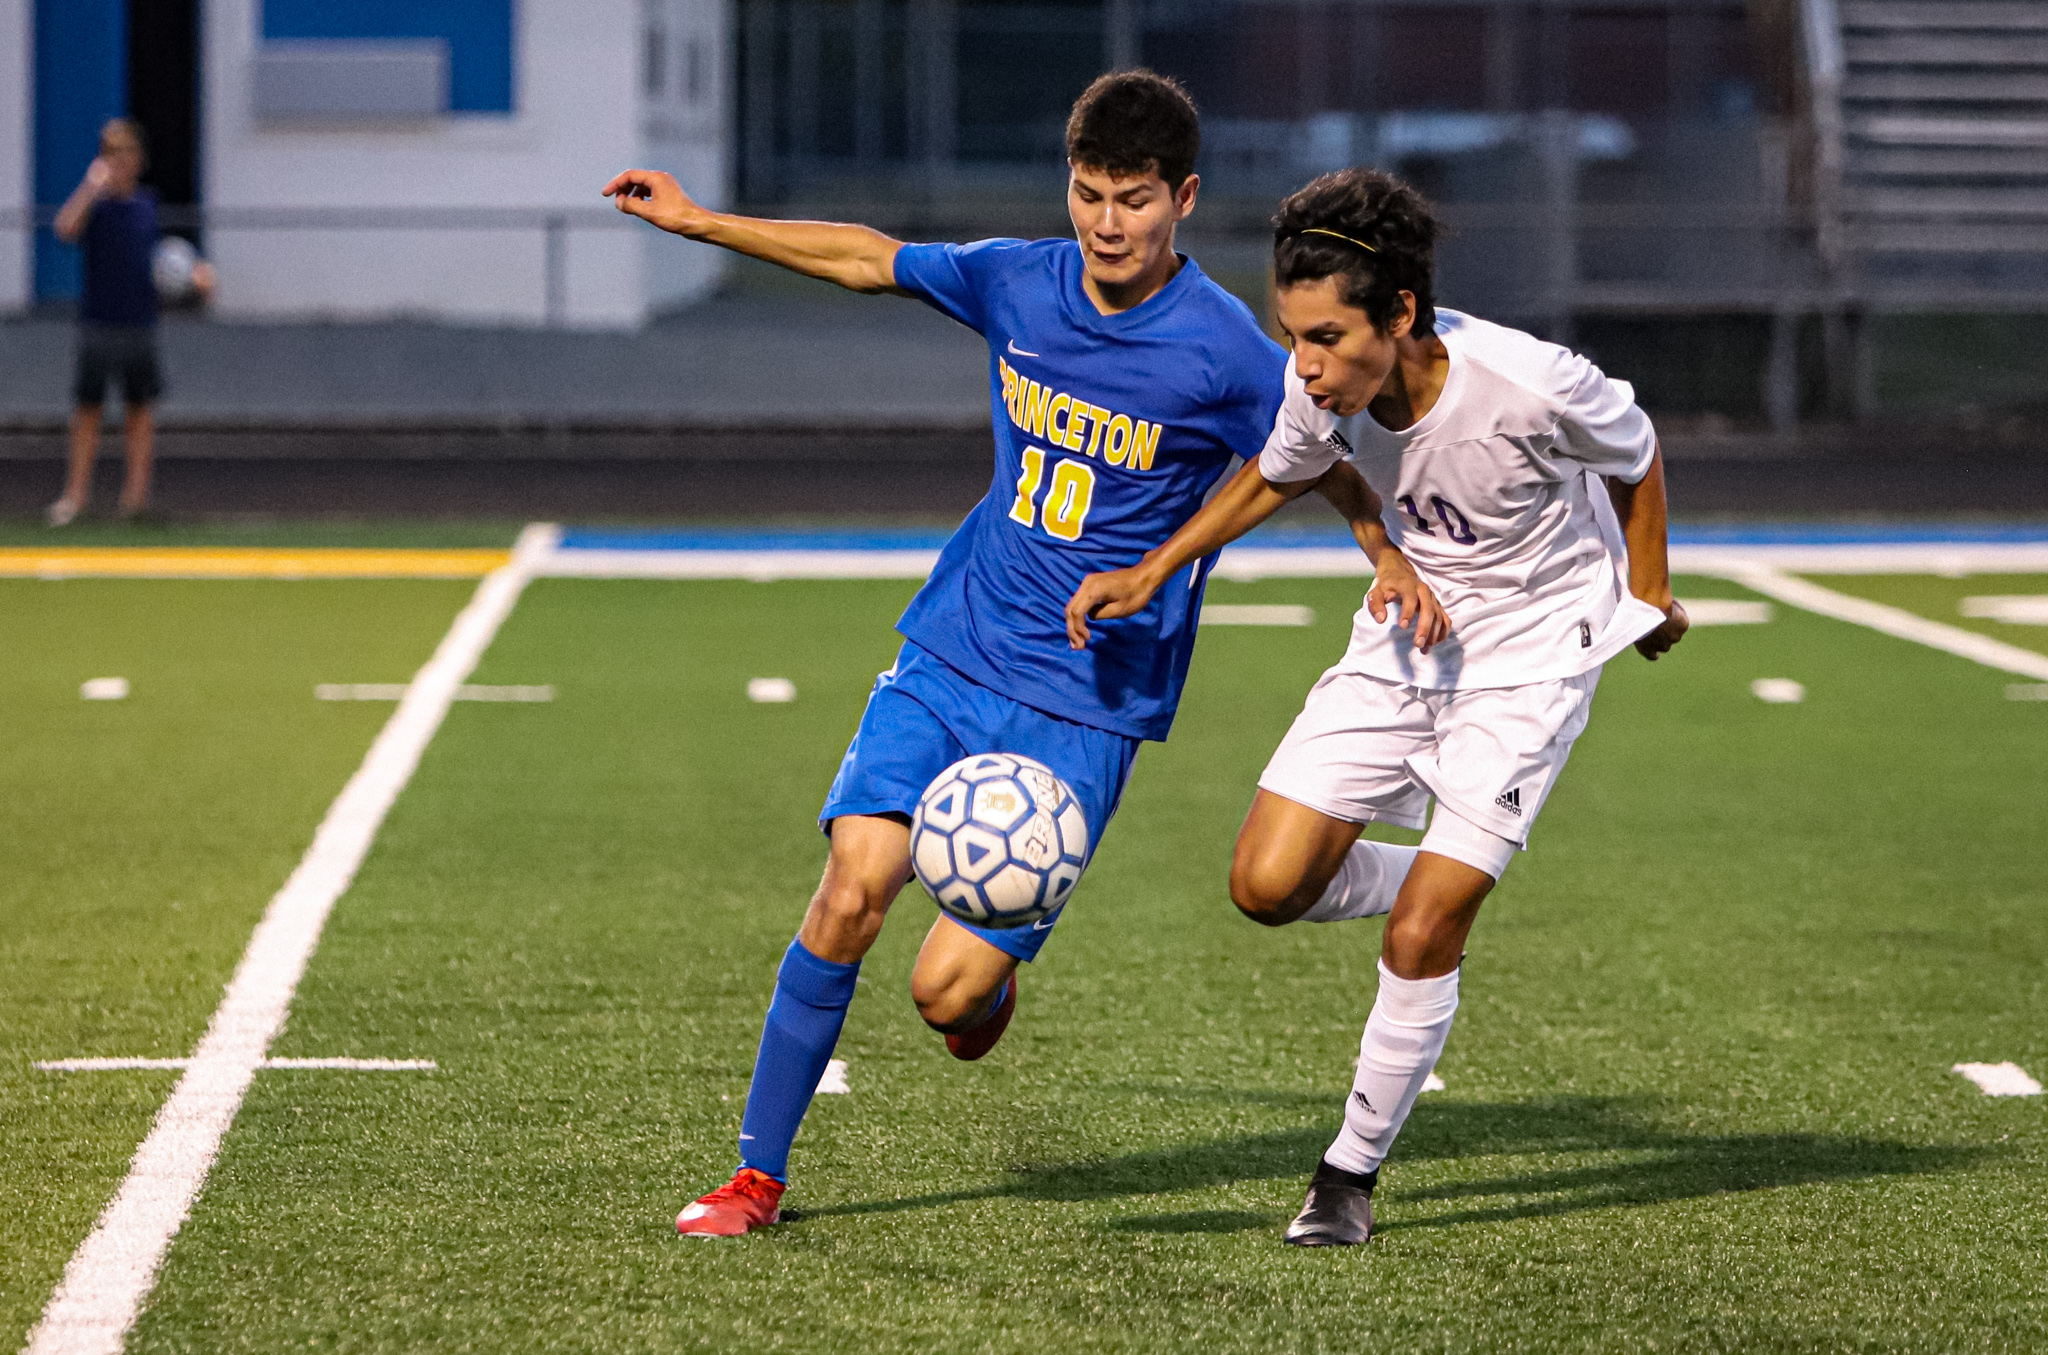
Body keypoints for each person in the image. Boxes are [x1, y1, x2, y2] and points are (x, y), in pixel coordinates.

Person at [604, 72, 1435, 1238]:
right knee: (850, 891)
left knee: (943, 988)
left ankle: (976, 997)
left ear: (1181, 198)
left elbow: (1309, 449)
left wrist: (1382, 552)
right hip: (955, 644)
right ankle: (755, 1175)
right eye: (1088, 193)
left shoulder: (1220, 348)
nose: (1105, 222)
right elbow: (867, 257)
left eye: (1133, 199)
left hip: (1088, 700)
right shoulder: (1018, 279)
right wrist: (702, 222)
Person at [1066, 167, 1688, 1247]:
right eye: (1288, 334)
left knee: (1419, 933)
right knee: (1264, 884)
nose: (1301, 364)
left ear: (1399, 315)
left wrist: (1644, 594)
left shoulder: (1529, 380)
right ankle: (1451, 879)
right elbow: (1274, 473)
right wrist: (1154, 569)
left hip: (1531, 661)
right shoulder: (1319, 391)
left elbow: (1635, 456)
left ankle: (1345, 1173)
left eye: (1322, 337)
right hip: (1405, 644)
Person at [46, 118, 212, 526]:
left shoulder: (149, 205)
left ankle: (135, 498)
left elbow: (176, 257)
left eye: (127, 154)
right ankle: (76, 496)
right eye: (112, 155)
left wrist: (199, 275)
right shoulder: (96, 208)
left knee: (140, 412)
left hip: (140, 324)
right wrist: (90, 187)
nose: (120, 162)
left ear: (138, 159)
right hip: (100, 323)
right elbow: (64, 229)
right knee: (88, 411)